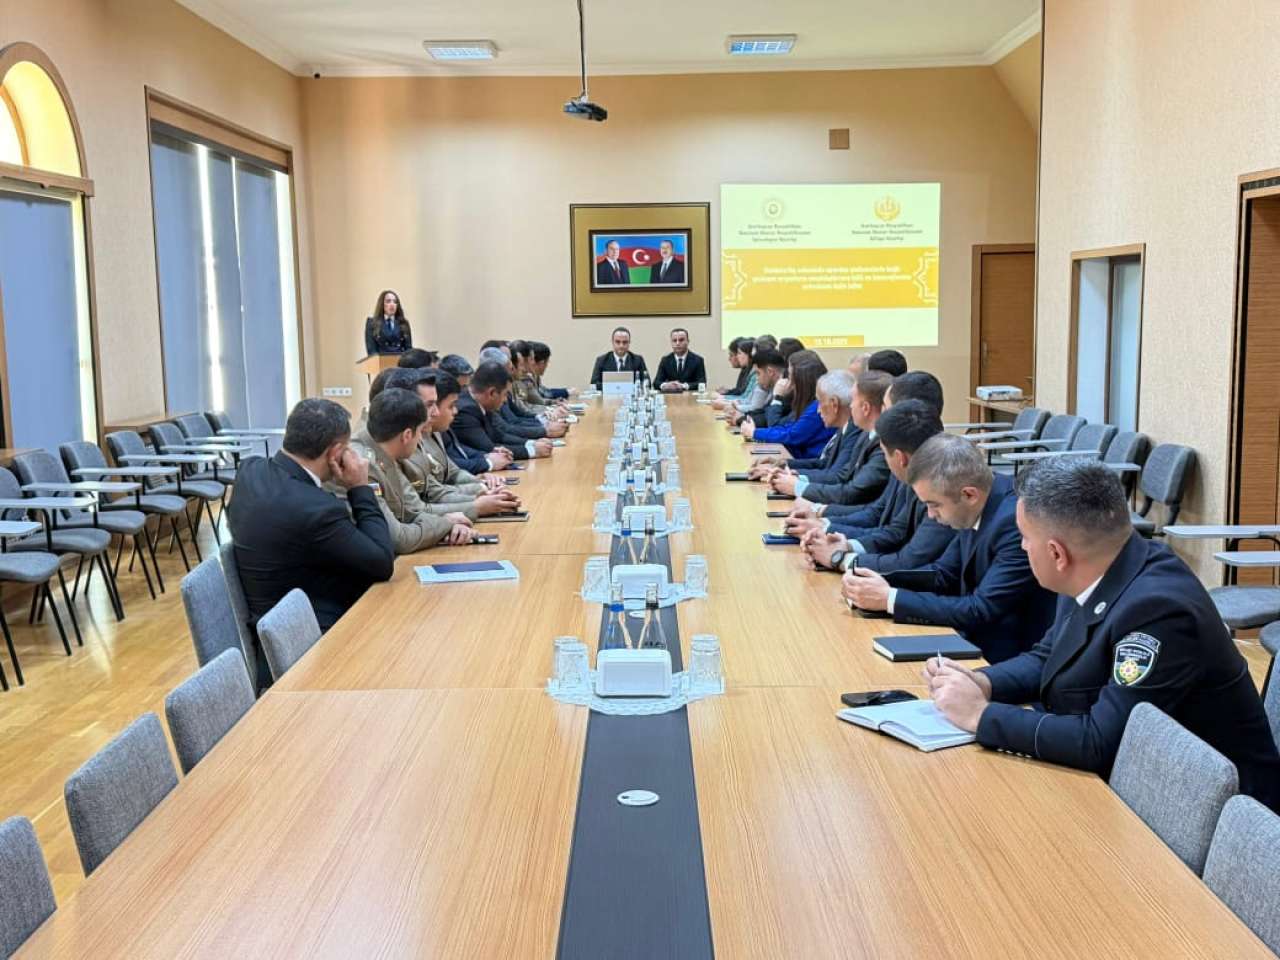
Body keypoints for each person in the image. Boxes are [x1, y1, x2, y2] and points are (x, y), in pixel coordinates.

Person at [926, 457, 1280, 812]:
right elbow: (1048, 656)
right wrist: (982, 682)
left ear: (1057, 553)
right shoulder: (1100, 564)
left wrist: (980, 716)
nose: (1022, 547)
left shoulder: (1159, 611)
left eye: (1025, 537)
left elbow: (1101, 742)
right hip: (1143, 786)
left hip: (1211, 814)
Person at [841, 433, 1056, 663]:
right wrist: (876, 582)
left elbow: (980, 609)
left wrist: (889, 598)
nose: (931, 515)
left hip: (1004, 657)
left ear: (969, 495)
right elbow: (943, 573)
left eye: (934, 505)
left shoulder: (1014, 522)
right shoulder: (977, 502)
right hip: (970, 640)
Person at [228, 398, 394, 645]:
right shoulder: (317, 509)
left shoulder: (249, 470)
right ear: (335, 453)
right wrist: (360, 487)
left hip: (269, 626)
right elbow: (382, 563)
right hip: (313, 639)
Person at [802, 398, 955, 575]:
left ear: (900, 458)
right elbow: (895, 531)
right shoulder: (913, 473)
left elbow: (910, 561)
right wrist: (844, 545)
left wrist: (840, 559)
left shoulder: (944, 490)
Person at [375, 368, 518, 515]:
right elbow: (412, 512)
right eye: (429, 405)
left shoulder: (422, 433)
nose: (436, 412)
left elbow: (438, 487)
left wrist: (481, 490)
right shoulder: (387, 447)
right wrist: (476, 506)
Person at [348, 388, 475, 552]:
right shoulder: (365, 465)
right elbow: (399, 539)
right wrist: (446, 523)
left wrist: (447, 524)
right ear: (407, 435)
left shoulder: (385, 449)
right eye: (420, 432)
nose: (421, 439)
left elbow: (411, 511)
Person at [770, 370, 891, 505]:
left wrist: (798, 487)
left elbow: (847, 486)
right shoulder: (863, 433)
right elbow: (829, 465)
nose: (850, 405)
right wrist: (789, 470)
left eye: (853, 401)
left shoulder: (873, 439)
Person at [739, 351, 835, 459]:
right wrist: (755, 432)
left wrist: (755, 432)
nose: (787, 382)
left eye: (790, 376)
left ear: (801, 379)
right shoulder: (806, 402)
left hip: (806, 463)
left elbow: (792, 436)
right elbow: (787, 427)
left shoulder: (817, 406)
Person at [452, 361, 553, 460]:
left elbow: (499, 435)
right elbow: (488, 449)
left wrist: (531, 443)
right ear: (492, 393)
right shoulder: (465, 411)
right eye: (505, 394)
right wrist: (532, 451)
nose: (505, 400)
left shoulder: (482, 403)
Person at [732, 349, 789, 427]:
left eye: (758, 373)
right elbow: (764, 412)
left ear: (770, 372)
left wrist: (740, 420)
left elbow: (770, 422)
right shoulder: (773, 388)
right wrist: (742, 416)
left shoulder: (786, 391)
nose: (757, 379)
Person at [364, 289, 413, 355]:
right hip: (381, 360)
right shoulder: (372, 323)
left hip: (400, 360)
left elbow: (409, 350)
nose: (392, 304)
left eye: (395, 302)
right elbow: (371, 351)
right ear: (382, 304)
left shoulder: (404, 323)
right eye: (388, 301)